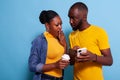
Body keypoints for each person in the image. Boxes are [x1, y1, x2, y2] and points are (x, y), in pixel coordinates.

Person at [68, 2, 113, 80]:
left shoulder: (99, 32)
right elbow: (72, 63)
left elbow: (109, 61)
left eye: (73, 18)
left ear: (84, 17)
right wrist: (72, 54)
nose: (70, 21)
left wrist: (93, 57)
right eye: (69, 18)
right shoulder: (71, 35)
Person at [28, 10, 69, 80]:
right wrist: (55, 65)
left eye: (61, 24)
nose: (60, 27)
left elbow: (63, 60)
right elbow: (32, 66)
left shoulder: (60, 38)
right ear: (47, 26)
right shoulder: (40, 40)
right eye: (57, 25)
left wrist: (65, 45)